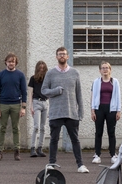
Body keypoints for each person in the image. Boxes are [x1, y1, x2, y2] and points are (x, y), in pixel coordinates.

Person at [42, 46, 88, 174]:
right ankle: (51, 164)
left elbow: (79, 94)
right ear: (56, 57)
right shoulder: (50, 73)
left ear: (68, 57)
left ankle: (80, 165)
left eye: (64, 54)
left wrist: (81, 112)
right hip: (56, 113)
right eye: (59, 54)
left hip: (71, 112)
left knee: (75, 140)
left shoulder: (75, 73)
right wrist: (56, 91)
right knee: (54, 139)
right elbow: (44, 91)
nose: (62, 56)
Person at [0, 52, 28, 161]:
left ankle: (17, 152)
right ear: (6, 62)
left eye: (13, 61)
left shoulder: (20, 75)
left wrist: (23, 108)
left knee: (16, 128)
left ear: (15, 63)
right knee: (1, 128)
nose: (11, 63)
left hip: (16, 105)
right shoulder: (0, 75)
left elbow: (24, 92)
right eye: (9, 61)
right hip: (3, 104)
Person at [91, 61, 121, 164]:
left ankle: (113, 154)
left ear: (110, 69)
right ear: (100, 70)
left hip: (111, 109)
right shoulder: (96, 82)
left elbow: (118, 96)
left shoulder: (115, 82)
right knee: (98, 132)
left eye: (107, 68)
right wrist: (92, 110)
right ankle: (97, 154)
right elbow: (93, 96)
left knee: (111, 132)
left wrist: (118, 110)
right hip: (99, 108)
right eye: (103, 68)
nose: (105, 70)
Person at [28, 60, 48, 158]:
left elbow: (50, 92)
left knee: (43, 127)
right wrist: (30, 106)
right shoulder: (33, 79)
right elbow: (30, 93)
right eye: (40, 68)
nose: (41, 70)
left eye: (43, 68)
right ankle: (33, 148)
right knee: (36, 126)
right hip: (36, 102)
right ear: (37, 69)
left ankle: (40, 148)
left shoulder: (47, 79)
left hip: (45, 103)